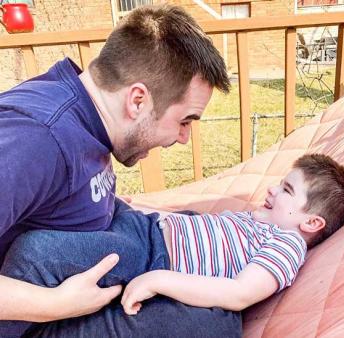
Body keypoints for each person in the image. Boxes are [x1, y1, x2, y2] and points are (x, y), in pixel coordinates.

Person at [0, 4, 243, 338]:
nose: (185, 137)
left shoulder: (86, 111)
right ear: (138, 100)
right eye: (185, 120)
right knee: (216, 323)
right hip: (35, 313)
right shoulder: (36, 139)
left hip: (74, 277)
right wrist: (55, 304)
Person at [1, 154, 344, 335]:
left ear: (311, 222)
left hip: (151, 253)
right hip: (144, 229)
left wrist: (158, 279)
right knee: (63, 220)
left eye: (286, 190)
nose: (270, 189)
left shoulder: (286, 244)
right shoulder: (257, 220)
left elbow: (239, 293)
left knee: (39, 252)